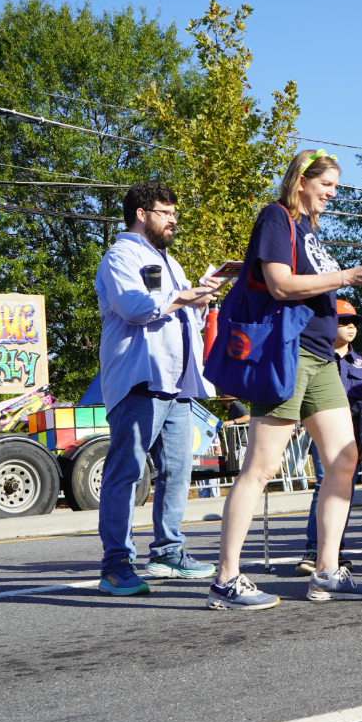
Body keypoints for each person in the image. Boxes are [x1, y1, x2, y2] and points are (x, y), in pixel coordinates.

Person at [208, 150, 362, 610]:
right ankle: (226, 578)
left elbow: (295, 277)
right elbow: (280, 284)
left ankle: (327, 571)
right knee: (262, 466)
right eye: (326, 184)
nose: (332, 193)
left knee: (345, 458)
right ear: (301, 181)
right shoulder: (277, 216)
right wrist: (349, 275)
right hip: (286, 356)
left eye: (334, 186)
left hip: (320, 358)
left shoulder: (310, 231)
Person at [93, 181, 222, 596]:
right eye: (166, 212)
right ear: (142, 214)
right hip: (140, 380)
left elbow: (180, 318)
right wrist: (183, 296)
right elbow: (134, 308)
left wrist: (199, 302)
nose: (174, 219)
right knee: (127, 471)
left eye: (174, 212)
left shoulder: (170, 262)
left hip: (178, 383)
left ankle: (168, 551)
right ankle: (115, 564)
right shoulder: (121, 255)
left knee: (179, 469)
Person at [295, 299, 362, 574]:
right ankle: (313, 549)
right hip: (324, 431)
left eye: (354, 323)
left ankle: (334, 550)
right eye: (344, 321)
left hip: (352, 436)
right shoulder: (315, 360)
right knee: (324, 486)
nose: (350, 327)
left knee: (344, 492)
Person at [199, 396, 249, 499]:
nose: (220, 403)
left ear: (224, 400)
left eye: (221, 401)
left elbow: (248, 417)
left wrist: (233, 421)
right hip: (237, 444)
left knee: (239, 471)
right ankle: (239, 495)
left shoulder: (236, 405)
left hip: (242, 444)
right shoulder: (232, 409)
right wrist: (227, 447)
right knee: (235, 471)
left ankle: (242, 495)